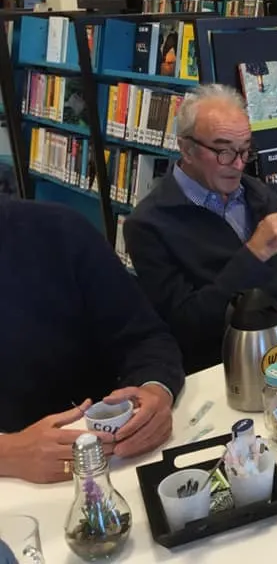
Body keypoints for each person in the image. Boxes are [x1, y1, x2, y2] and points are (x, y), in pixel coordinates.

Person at [124, 84, 277, 374]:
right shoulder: (150, 225)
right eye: (224, 151)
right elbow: (186, 326)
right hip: (234, 369)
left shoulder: (259, 194)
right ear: (186, 149)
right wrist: (253, 254)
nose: (238, 165)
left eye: (245, 150)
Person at [0, 198, 184, 484]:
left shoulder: (59, 232)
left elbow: (145, 337)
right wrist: (8, 453)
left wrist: (155, 391)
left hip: (112, 461)